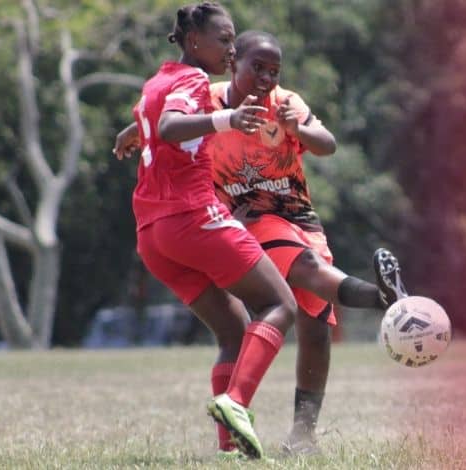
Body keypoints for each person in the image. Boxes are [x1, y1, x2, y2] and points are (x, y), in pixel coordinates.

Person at [116, 29, 410, 456]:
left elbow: (327, 145)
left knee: (316, 325)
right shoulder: (208, 98)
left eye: (274, 71)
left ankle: (303, 435)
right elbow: (166, 119)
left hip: (300, 218)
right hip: (249, 218)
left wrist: (299, 128)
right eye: (258, 67)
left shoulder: (286, 103)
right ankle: (384, 298)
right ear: (234, 62)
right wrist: (133, 131)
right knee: (307, 273)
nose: (267, 78)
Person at [117, 2, 297, 459]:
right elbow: (170, 125)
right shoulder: (194, 80)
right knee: (279, 305)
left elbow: (152, 119)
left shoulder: (159, 79)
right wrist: (227, 120)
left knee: (234, 331)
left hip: (153, 235)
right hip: (193, 217)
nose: (232, 49)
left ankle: (229, 448)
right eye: (224, 39)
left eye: (234, 40)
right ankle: (236, 401)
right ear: (194, 41)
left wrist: (130, 133)